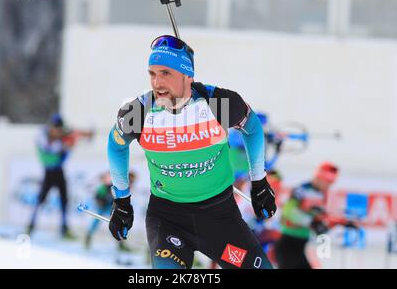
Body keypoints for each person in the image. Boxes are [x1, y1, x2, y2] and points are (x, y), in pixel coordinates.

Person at [106, 35, 277, 269]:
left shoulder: (218, 102)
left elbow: (253, 128)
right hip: (167, 219)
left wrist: (259, 182)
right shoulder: (139, 111)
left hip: (220, 219)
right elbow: (115, 145)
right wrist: (122, 201)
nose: (157, 83)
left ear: (188, 75)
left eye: (166, 73)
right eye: (152, 73)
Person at [274, 161, 356, 268]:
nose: (328, 186)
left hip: (300, 244)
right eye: (327, 182)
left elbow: (321, 218)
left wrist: (342, 222)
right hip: (288, 243)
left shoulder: (321, 195)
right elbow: (288, 211)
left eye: (331, 183)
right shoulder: (302, 190)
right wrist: (311, 222)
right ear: (318, 177)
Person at [27, 113, 92, 238]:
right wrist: (67, 143)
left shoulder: (59, 135)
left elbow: (70, 137)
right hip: (49, 172)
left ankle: (64, 228)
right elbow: (50, 147)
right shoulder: (42, 135)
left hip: (59, 170)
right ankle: (31, 226)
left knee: (64, 200)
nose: (58, 131)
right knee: (40, 199)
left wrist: (79, 136)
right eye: (56, 129)